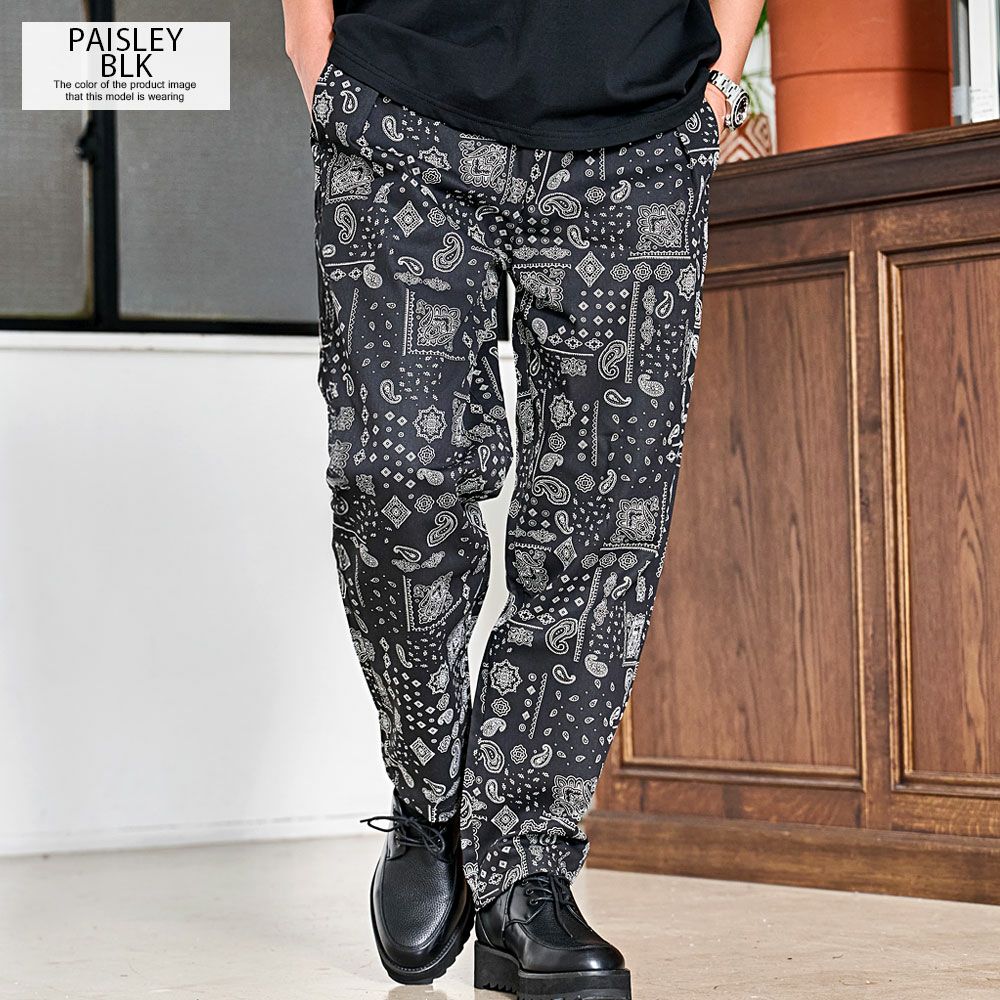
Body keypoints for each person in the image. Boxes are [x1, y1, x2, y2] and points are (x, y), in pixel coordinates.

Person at [282, 2, 761, 997]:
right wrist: (314, 51)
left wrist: (720, 78)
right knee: (394, 476)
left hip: (637, 128)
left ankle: (524, 870)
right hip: (398, 104)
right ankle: (429, 790)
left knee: (602, 525)